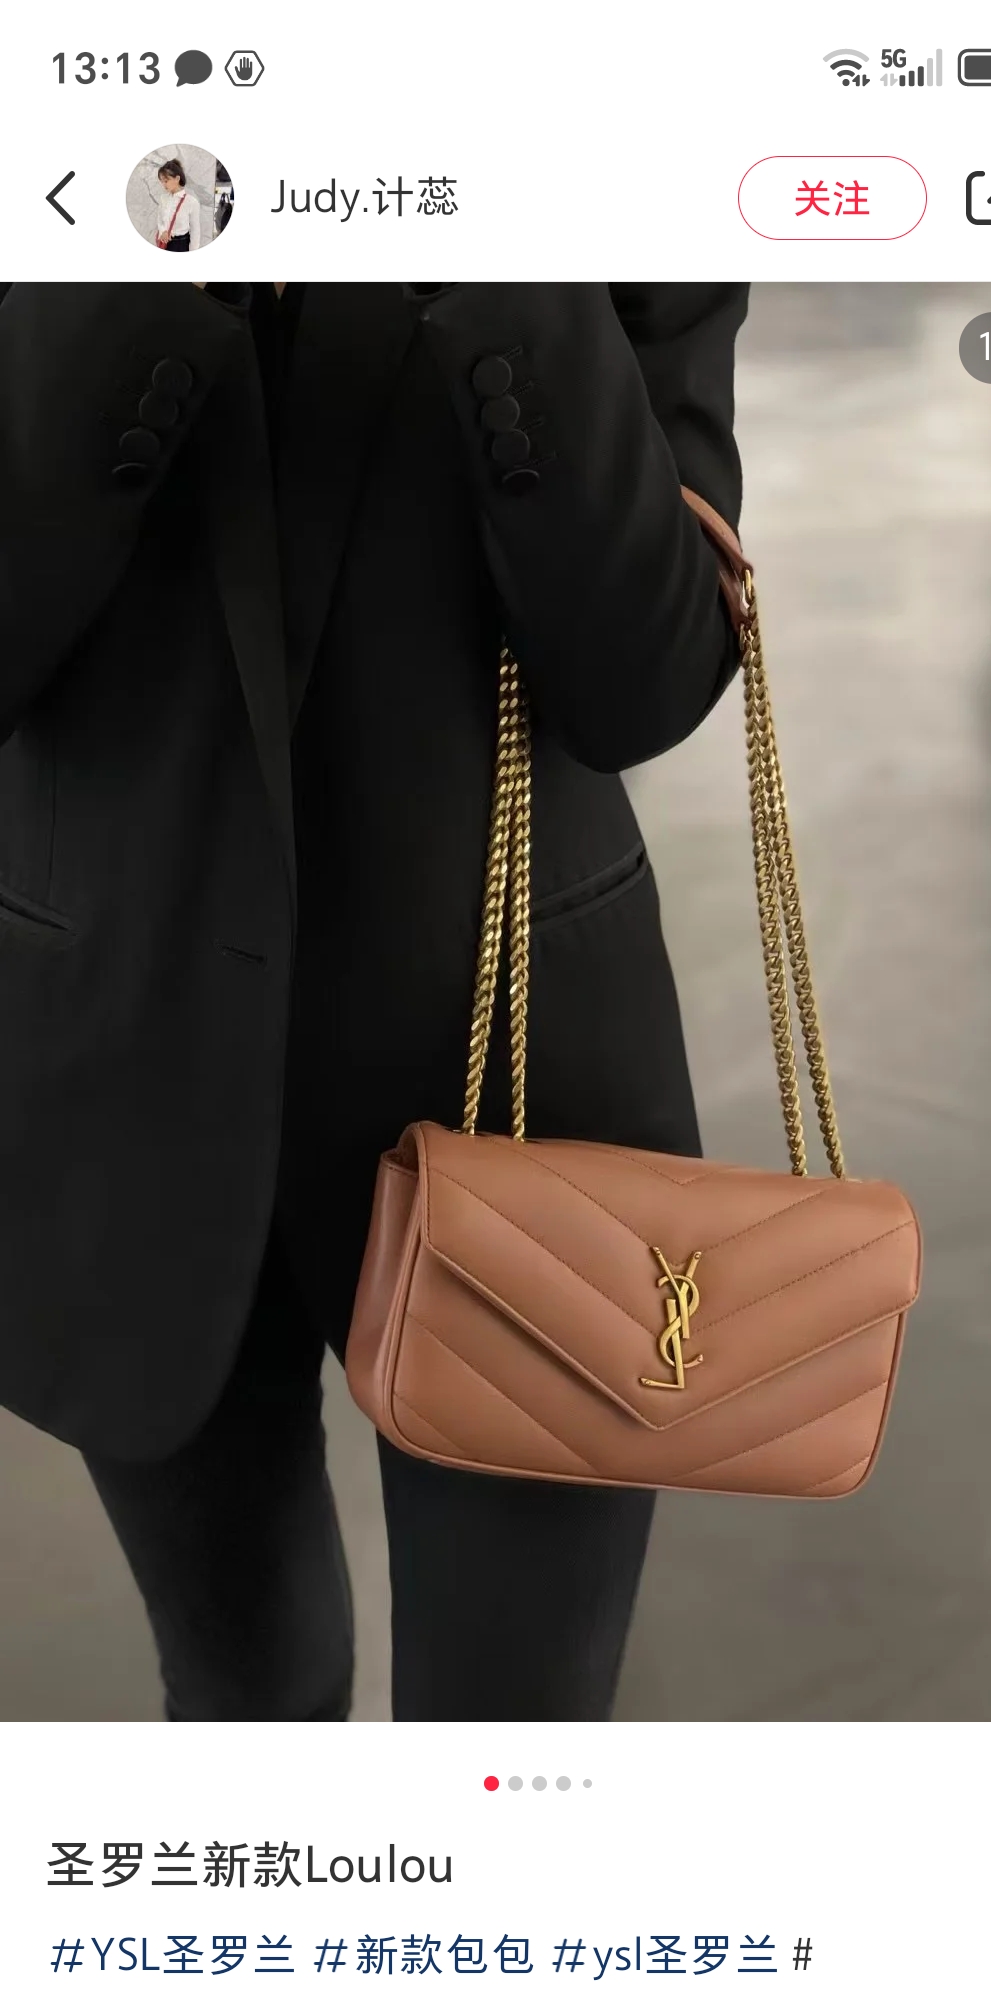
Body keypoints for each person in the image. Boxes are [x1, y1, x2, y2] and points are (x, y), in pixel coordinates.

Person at [0, 281, 748, 1722]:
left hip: (525, 1082)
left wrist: (487, 240)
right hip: (124, 1065)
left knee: (513, 1741)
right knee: (244, 1695)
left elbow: (645, 679)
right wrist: (147, 236)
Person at [154, 161, 200, 252]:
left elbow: (195, 231)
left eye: (166, 181)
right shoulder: (163, 198)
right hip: (164, 243)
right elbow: (160, 219)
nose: (163, 184)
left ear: (177, 178)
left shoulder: (191, 202)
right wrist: (163, 231)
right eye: (161, 181)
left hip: (181, 245)